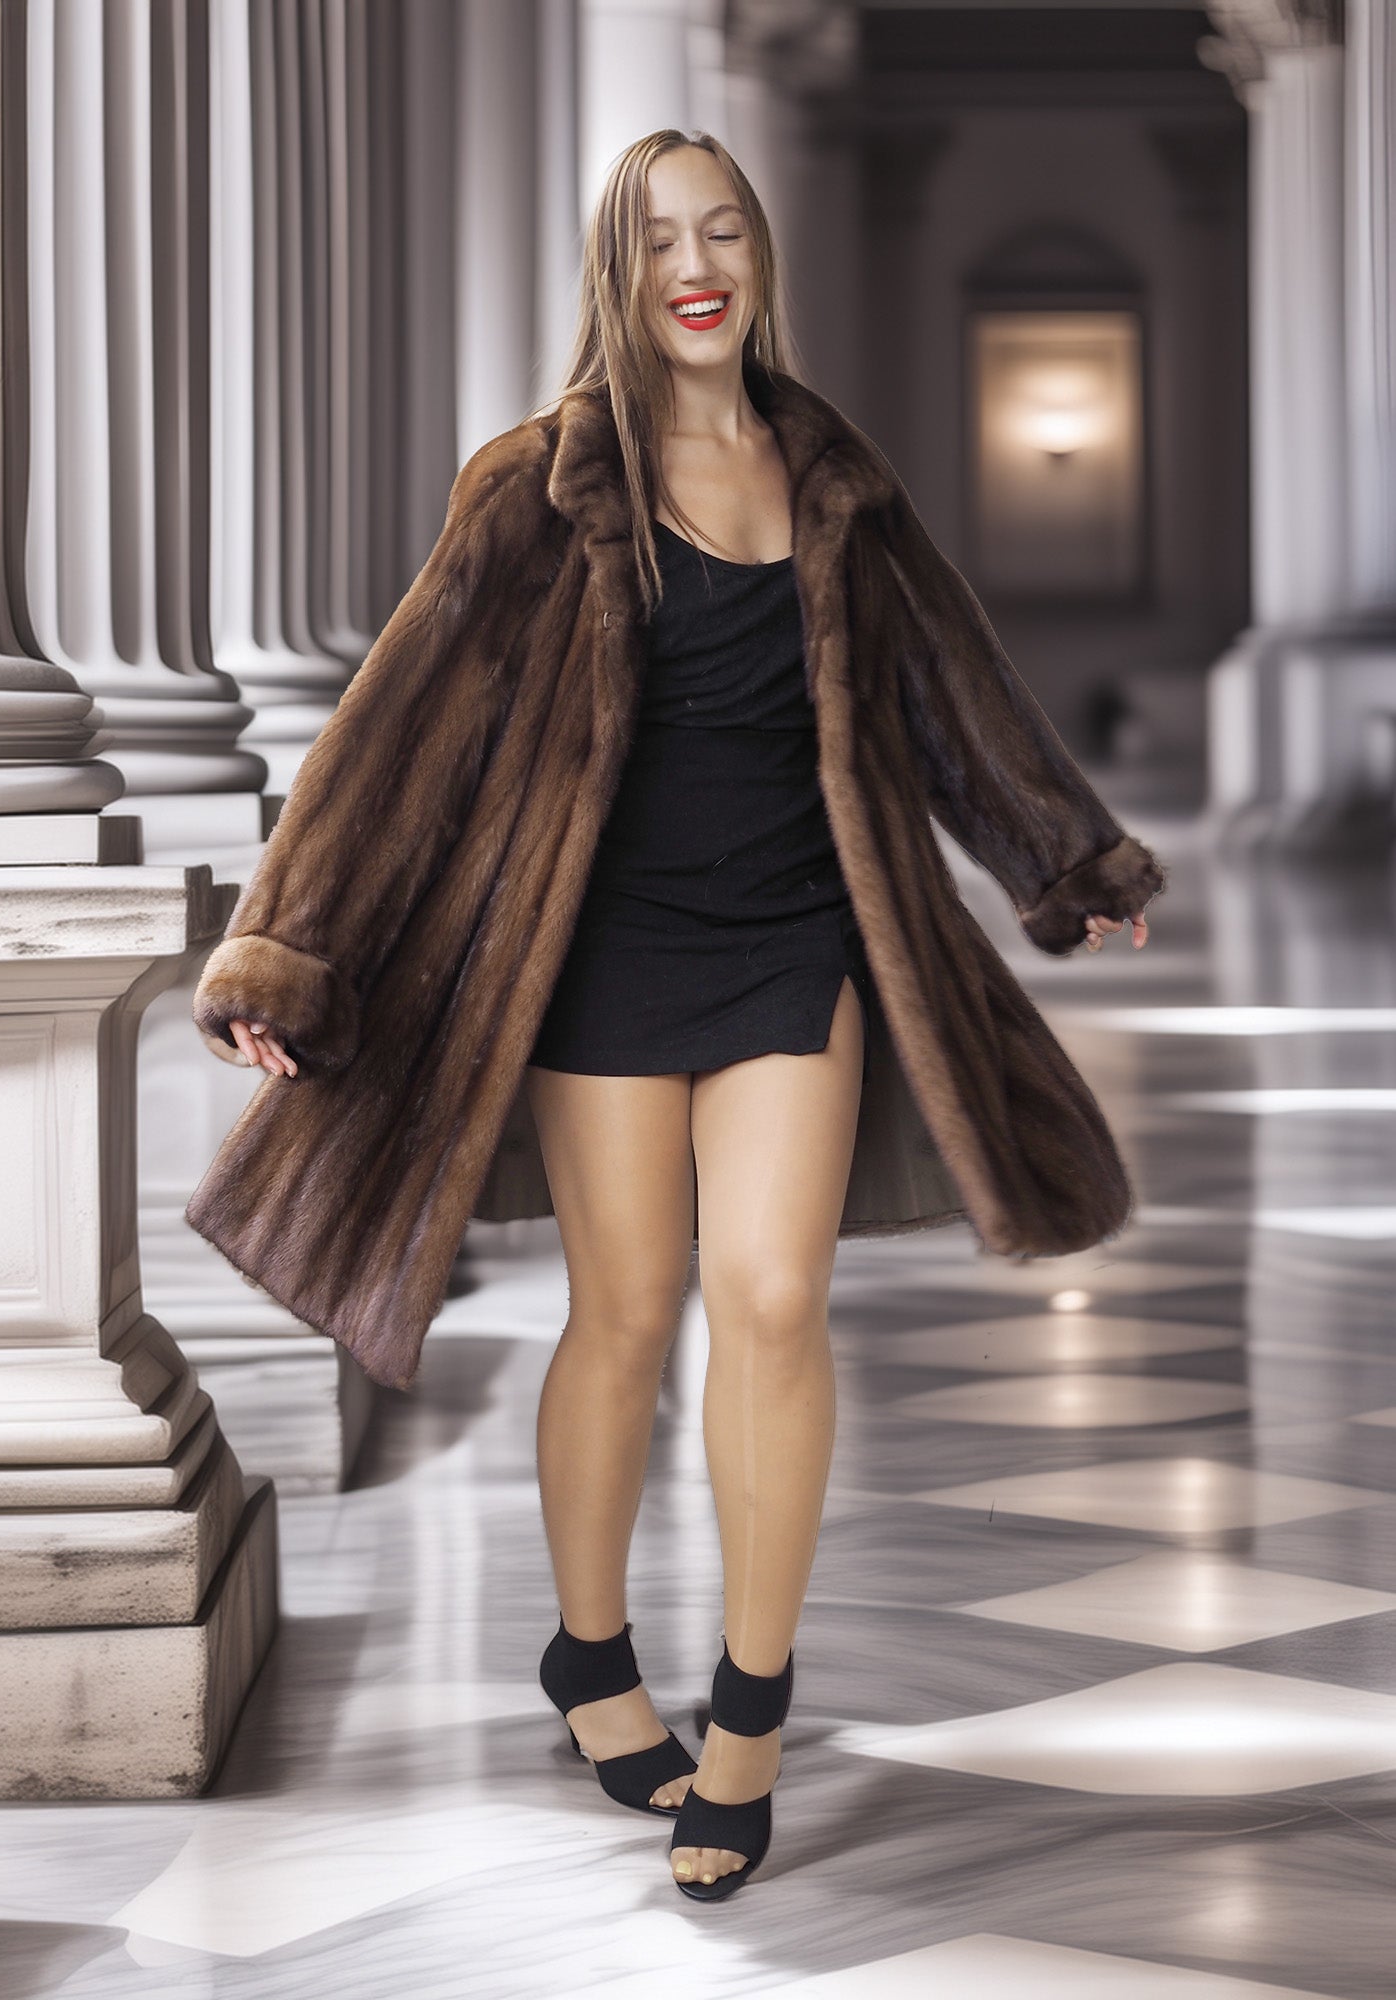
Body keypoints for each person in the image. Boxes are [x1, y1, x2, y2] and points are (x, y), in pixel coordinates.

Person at [219, 131, 1155, 1902]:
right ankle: (589, 1653)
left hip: (799, 937)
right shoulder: (538, 486)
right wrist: (291, 947)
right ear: (619, 272)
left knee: (776, 1299)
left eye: (723, 227)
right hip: (600, 954)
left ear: (761, 252)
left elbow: (951, 684)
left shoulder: (834, 477)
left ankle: (752, 1710)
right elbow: (397, 726)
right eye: (660, 239)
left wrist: (1067, 854)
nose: (697, 262)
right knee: (629, 1315)